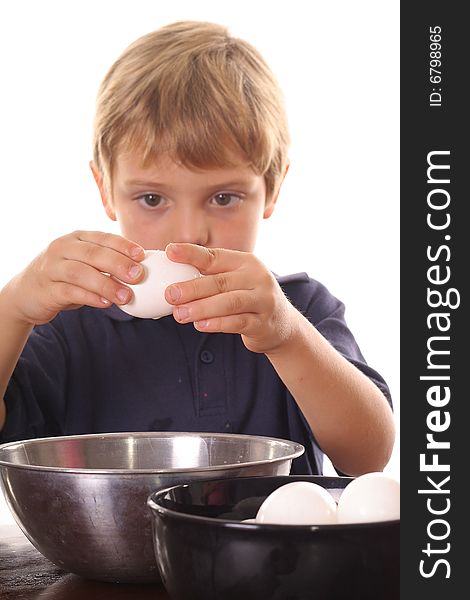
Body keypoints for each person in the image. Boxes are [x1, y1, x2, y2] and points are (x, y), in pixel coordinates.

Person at [0, 20, 395, 476]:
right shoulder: (70, 328)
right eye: (152, 199)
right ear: (105, 189)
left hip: (271, 549)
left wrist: (287, 337)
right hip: (102, 546)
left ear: (273, 188)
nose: (186, 236)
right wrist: (13, 309)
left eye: (223, 198)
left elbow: (368, 457)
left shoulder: (298, 310)